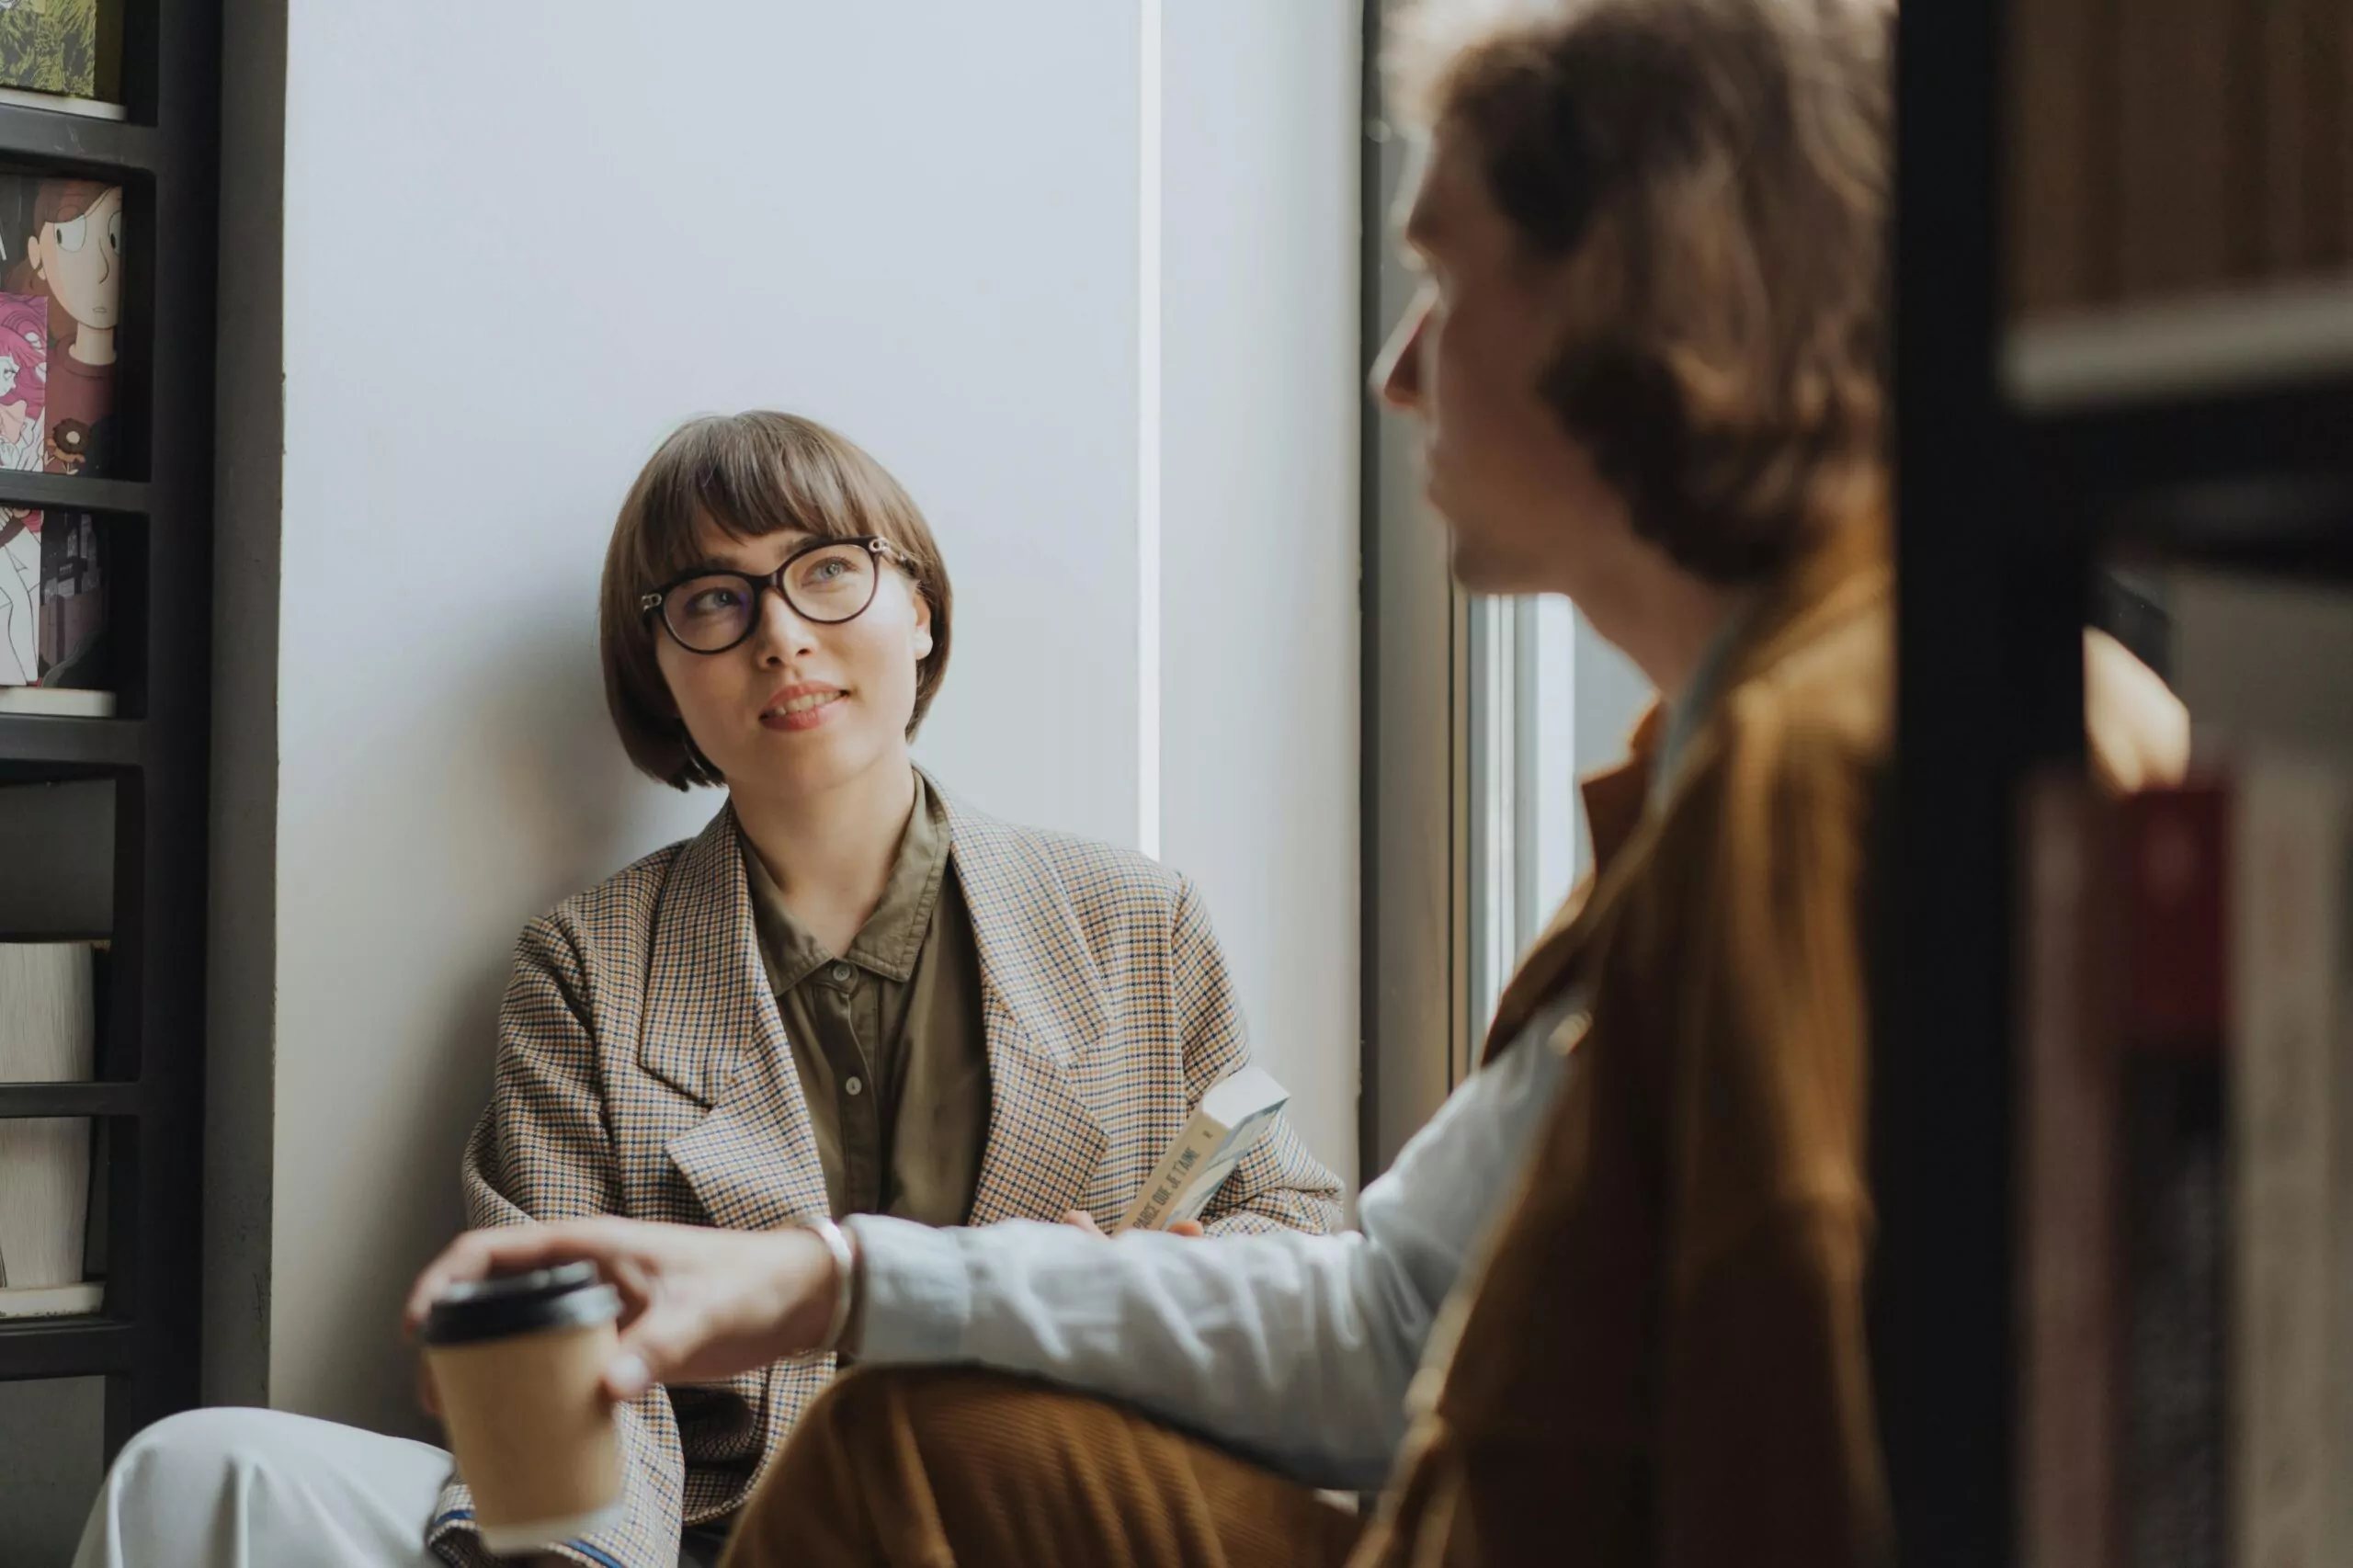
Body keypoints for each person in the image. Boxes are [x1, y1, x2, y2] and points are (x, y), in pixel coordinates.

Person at [399, 1, 2191, 1565]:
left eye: (1444, 284)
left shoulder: (1826, 761)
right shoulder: (1730, 750)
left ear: (1639, 300)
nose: (1395, 373)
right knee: (903, 1441)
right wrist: (836, 1282)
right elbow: (1394, 1313)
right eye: (712, 604)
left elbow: (1792, 1421)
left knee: (902, 1447)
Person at [71, 412, 1342, 1568]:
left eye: (827, 569)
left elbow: (1297, 1232)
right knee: (198, 1471)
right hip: (712, 1540)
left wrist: (1134, 1278)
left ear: (922, 610)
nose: (780, 633)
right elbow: (571, 1344)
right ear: (663, 670)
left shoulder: (1133, 917)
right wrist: (582, 1555)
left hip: (1032, 1512)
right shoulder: (586, 964)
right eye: (714, 602)